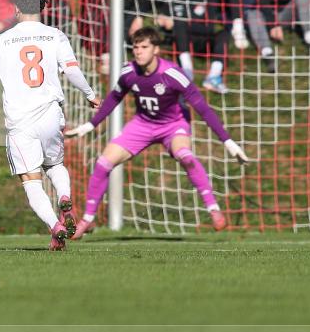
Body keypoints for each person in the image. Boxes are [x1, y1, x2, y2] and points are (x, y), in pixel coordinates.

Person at [65, 27, 250, 238]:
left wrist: (228, 142)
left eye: (144, 47)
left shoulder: (172, 74)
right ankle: (87, 220)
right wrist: (89, 125)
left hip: (173, 124)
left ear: (156, 50)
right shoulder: (129, 73)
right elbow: (114, 98)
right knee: (103, 163)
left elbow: (202, 107)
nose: (138, 52)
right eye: (135, 47)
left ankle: (213, 209)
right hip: (142, 124)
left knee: (185, 156)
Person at [0, 0, 100, 251]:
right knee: (55, 165)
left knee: (31, 181)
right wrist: (90, 95)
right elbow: (73, 71)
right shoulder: (55, 35)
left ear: (16, 7)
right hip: (51, 114)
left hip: (21, 121)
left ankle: (55, 227)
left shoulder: (3, 40)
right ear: (42, 6)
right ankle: (64, 196)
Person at [157, 0, 231, 92]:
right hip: (182, 41)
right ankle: (187, 72)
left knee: (224, 34)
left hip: (203, 41)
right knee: (179, 24)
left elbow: (209, 27)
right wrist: (162, 21)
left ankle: (213, 76)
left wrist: (179, 21)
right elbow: (162, 19)